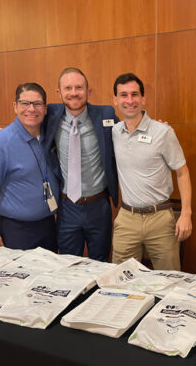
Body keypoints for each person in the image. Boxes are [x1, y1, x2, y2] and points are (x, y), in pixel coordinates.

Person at [111, 73, 192, 270]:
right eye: (123, 95)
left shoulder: (163, 132)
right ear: (115, 100)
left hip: (160, 218)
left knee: (169, 280)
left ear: (143, 99)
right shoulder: (114, 132)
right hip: (127, 218)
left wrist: (186, 214)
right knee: (120, 280)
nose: (129, 101)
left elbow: (182, 172)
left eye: (134, 94)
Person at [43, 68, 119, 261]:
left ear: (88, 91)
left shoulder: (105, 114)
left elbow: (129, 132)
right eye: (68, 88)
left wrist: (154, 127)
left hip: (99, 206)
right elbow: (27, 119)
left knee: (100, 263)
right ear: (59, 93)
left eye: (79, 87)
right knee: (67, 264)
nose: (74, 92)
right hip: (67, 207)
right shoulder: (50, 115)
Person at [0, 83, 59, 252]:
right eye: (25, 103)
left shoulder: (50, 135)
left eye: (37, 104)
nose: (31, 109)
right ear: (15, 106)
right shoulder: (0, 142)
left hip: (49, 225)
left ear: (45, 108)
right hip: (16, 230)